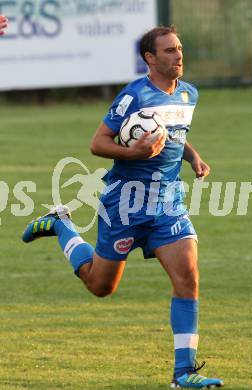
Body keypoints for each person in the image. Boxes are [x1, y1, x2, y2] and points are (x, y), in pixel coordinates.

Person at [22, 26, 223, 388]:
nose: (179, 56)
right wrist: (132, 153)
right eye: (169, 51)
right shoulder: (135, 96)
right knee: (101, 286)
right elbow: (97, 143)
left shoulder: (189, 94)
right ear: (150, 58)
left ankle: (184, 373)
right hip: (125, 204)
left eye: (179, 48)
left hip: (167, 203)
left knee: (188, 279)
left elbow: (175, 134)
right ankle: (60, 224)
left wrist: (194, 158)